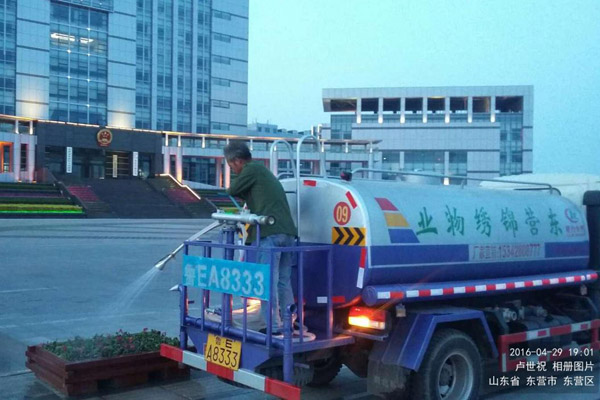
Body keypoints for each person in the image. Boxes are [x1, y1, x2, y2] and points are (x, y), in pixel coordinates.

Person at [224, 141, 297, 334]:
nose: (233, 170)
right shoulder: (262, 171)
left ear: (237, 160)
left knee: (267, 281)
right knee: (283, 281)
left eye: (231, 166)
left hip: (269, 233)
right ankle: (288, 323)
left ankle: (272, 327)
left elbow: (231, 190)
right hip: (288, 232)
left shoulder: (251, 169)